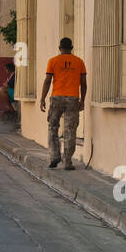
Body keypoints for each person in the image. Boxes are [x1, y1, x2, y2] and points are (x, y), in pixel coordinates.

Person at [39, 37, 88, 170]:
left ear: (60, 48)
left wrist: (42, 98)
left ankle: (54, 156)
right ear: (72, 48)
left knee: (53, 127)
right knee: (70, 130)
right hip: (72, 99)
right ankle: (67, 161)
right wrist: (82, 101)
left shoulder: (53, 61)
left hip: (56, 98)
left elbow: (48, 80)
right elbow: (83, 84)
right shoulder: (79, 62)